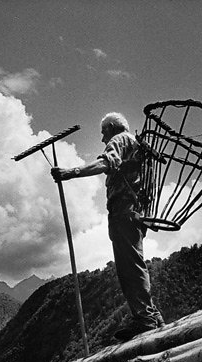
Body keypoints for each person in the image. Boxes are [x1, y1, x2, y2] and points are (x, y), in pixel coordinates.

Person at [51, 112, 164, 341]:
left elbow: (106, 163)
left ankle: (146, 319)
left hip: (124, 211)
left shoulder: (120, 139)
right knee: (133, 264)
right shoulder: (136, 145)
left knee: (130, 267)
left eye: (104, 132)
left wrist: (71, 173)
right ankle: (151, 316)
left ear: (112, 127)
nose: (103, 139)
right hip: (135, 212)